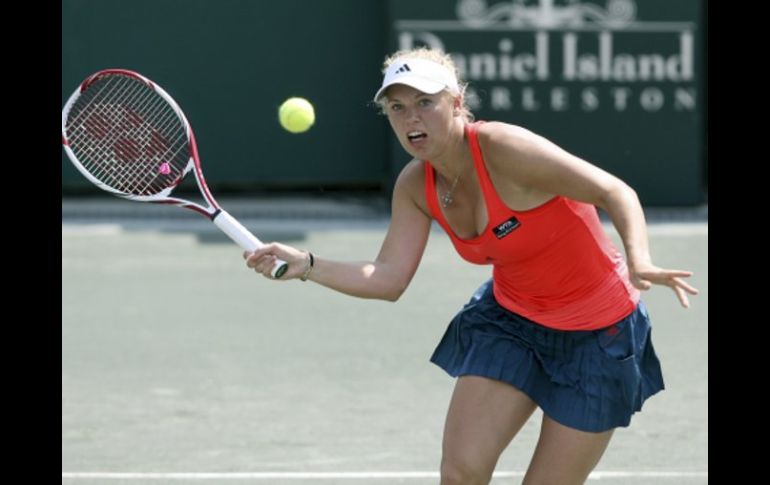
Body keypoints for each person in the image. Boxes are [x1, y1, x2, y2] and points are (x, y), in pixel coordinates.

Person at [244, 47, 699, 485]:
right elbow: (388, 278)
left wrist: (639, 259)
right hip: (512, 323)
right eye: (398, 108)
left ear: (457, 103)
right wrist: (306, 264)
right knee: (460, 473)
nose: (412, 118)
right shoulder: (414, 185)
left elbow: (614, 191)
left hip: (600, 334)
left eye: (425, 102)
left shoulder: (504, 148)